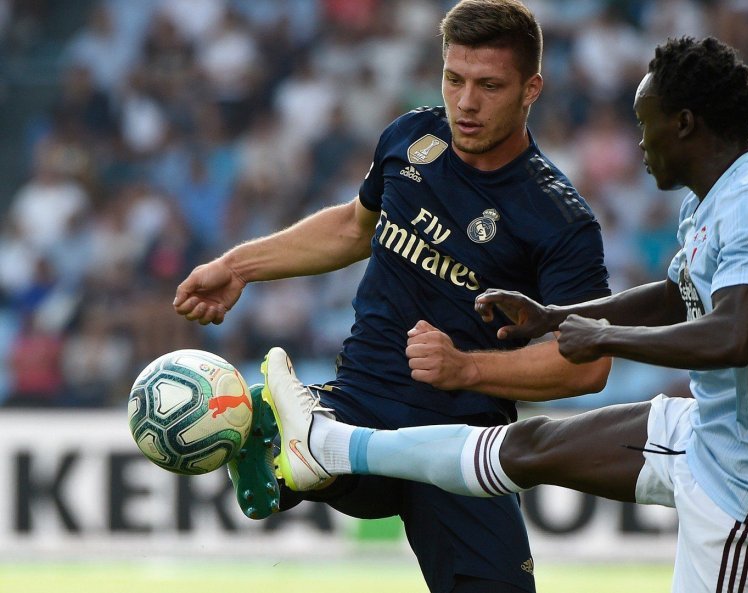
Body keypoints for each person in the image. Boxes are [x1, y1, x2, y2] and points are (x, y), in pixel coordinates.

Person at [258, 36, 748, 593]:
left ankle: (328, 444)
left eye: (645, 124)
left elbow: (733, 337)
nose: (639, 144)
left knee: (528, 448)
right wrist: (555, 316)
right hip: (711, 429)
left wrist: (603, 338)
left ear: (685, 124)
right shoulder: (710, 202)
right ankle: (328, 444)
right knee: (528, 446)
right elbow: (675, 295)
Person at [173, 2, 612, 593]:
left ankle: (289, 442)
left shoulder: (559, 219)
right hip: (363, 404)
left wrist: (467, 368)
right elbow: (354, 228)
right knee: (323, 445)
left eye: (489, 86)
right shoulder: (411, 138)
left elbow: (587, 365)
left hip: (460, 439)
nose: (466, 102)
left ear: (531, 88)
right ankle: (288, 440)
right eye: (454, 79)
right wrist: (237, 266)